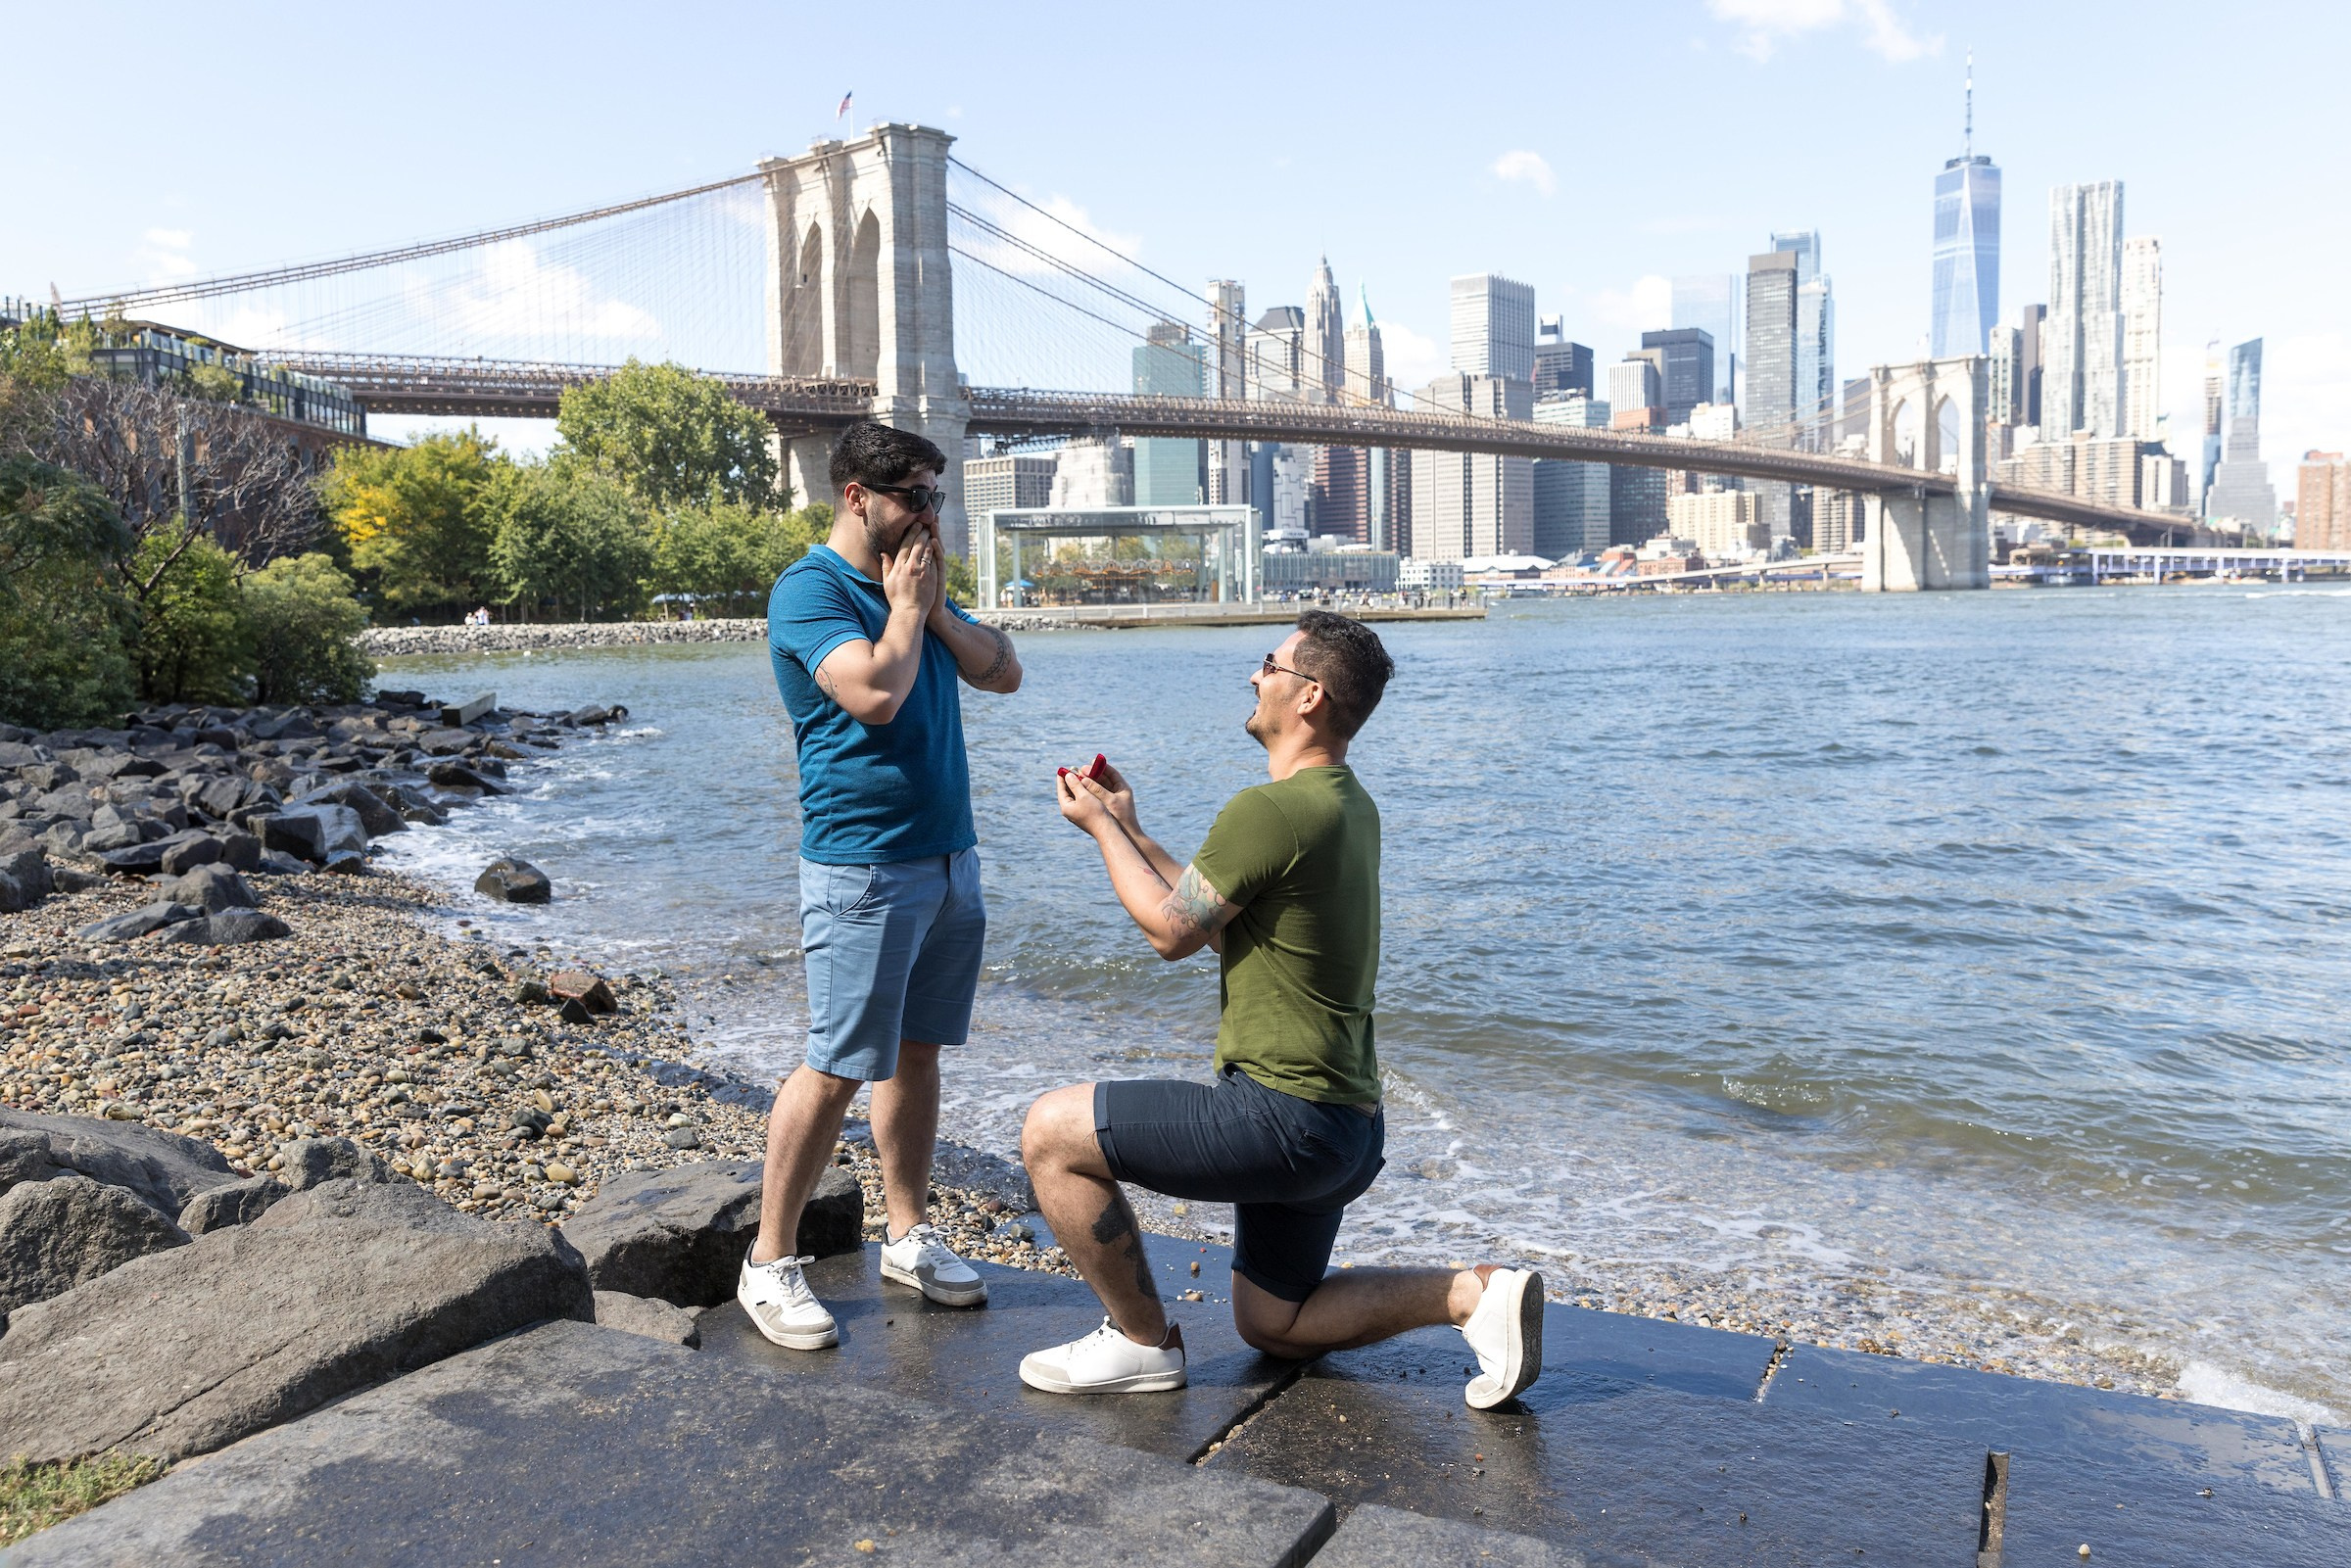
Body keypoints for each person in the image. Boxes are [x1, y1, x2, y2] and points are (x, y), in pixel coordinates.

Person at [1018, 611, 1544, 1406]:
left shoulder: (1269, 809)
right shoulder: (1347, 806)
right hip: (1346, 1128)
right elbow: (1217, 911)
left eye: (1270, 664)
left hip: (1283, 1118)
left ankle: (1140, 1341)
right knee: (1274, 1320)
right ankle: (1475, 1295)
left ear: (1310, 695)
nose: (1254, 675)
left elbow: (1171, 931)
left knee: (1050, 1133)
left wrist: (1098, 828)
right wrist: (1131, 828)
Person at [737, 422, 1024, 1350]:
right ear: (858, 497)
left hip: (948, 858)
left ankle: (908, 1235)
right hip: (861, 864)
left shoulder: (919, 582)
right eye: (915, 498)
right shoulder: (810, 589)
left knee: (918, 1053)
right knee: (835, 1063)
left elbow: (1005, 672)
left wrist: (936, 613)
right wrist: (905, 611)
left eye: (938, 496)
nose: (932, 515)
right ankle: (768, 1260)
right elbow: (872, 692)